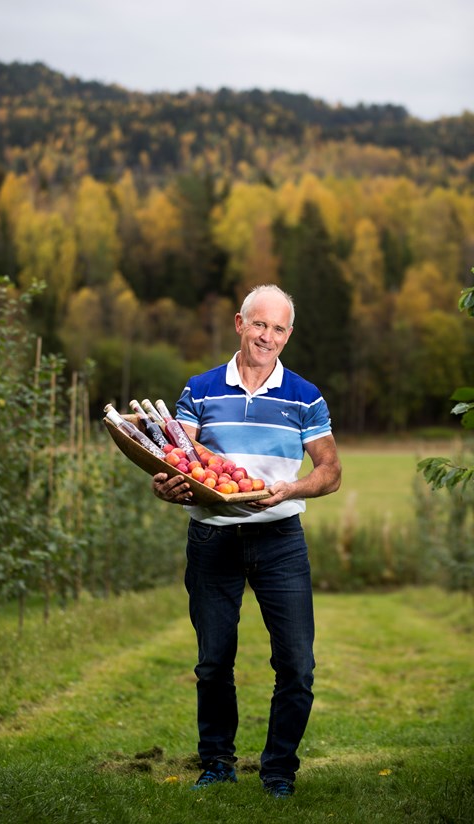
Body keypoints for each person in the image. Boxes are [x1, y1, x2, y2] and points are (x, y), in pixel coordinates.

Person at [152, 284, 341, 799]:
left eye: (279, 329)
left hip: (281, 538)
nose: (268, 337)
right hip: (213, 538)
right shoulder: (201, 389)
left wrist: (292, 488)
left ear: (289, 335)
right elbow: (180, 460)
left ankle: (279, 770)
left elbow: (330, 471)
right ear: (240, 323)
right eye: (260, 324)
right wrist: (168, 486)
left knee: (297, 665)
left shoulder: (305, 395)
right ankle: (217, 763)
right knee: (214, 661)